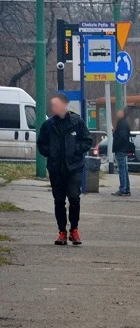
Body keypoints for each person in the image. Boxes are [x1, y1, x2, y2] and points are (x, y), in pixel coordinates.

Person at [37, 93, 93, 246]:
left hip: (74, 167)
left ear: (64, 105)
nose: (53, 108)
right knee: (59, 200)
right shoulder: (48, 125)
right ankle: (62, 231)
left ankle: (74, 229)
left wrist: (76, 149)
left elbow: (87, 140)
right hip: (56, 168)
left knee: (74, 197)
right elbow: (41, 144)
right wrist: (51, 152)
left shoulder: (77, 122)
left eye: (56, 105)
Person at [112, 108, 132, 197]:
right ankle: (126, 188)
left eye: (120, 111)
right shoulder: (124, 122)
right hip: (123, 148)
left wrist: (116, 141)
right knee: (124, 169)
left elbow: (122, 136)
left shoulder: (122, 123)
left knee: (122, 169)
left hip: (120, 148)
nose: (118, 113)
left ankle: (123, 189)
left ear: (123, 113)